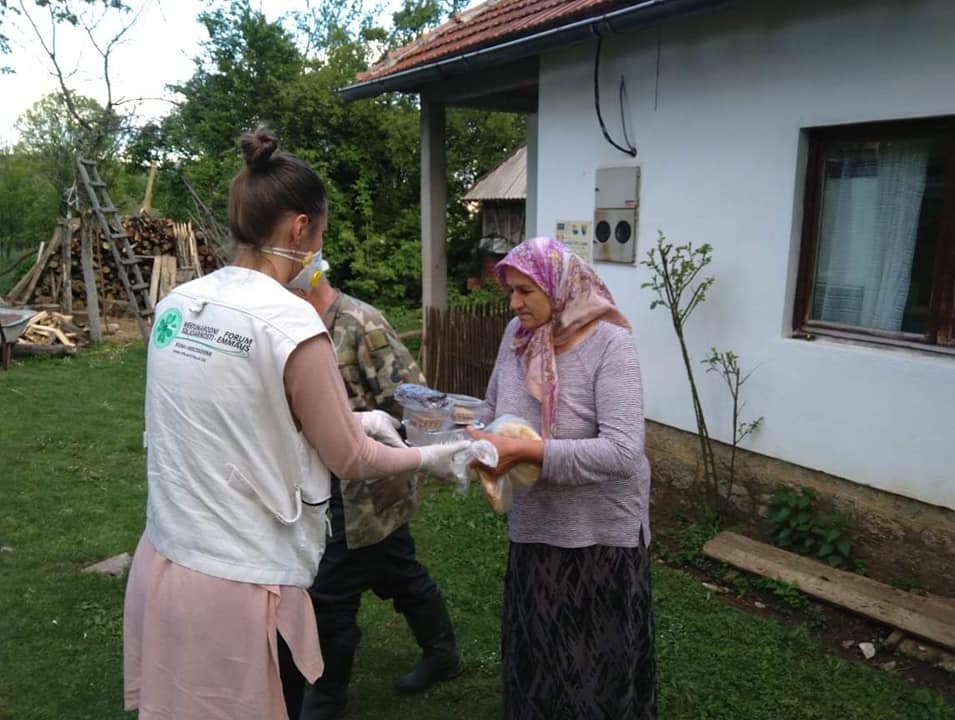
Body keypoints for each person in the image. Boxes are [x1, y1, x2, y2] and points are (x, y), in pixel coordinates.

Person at [123, 128, 468, 720]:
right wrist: (429, 457)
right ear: (301, 228)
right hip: (238, 578)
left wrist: (357, 417)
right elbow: (352, 463)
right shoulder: (291, 321)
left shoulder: (179, 305)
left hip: (166, 554)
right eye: (323, 231)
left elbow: (240, 413)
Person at [468, 236, 656, 720]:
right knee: (539, 659)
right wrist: (475, 437)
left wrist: (528, 451)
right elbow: (493, 408)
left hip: (599, 539)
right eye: (510, 291)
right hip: (536, 528)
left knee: (593, 668)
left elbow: (622, 451)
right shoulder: (518, 336)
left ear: (560, 287)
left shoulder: (611, 344)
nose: (513, 303)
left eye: (525, 291)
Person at [296, 277, 462, 719]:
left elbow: (416, 403)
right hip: (325, 485)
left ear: (307, 285)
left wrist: (391, 450)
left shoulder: (360, 324)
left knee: (330, 594)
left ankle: (325, 700)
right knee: (400, 574)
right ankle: (443, 654)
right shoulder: (297, 324)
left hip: (365, 493)